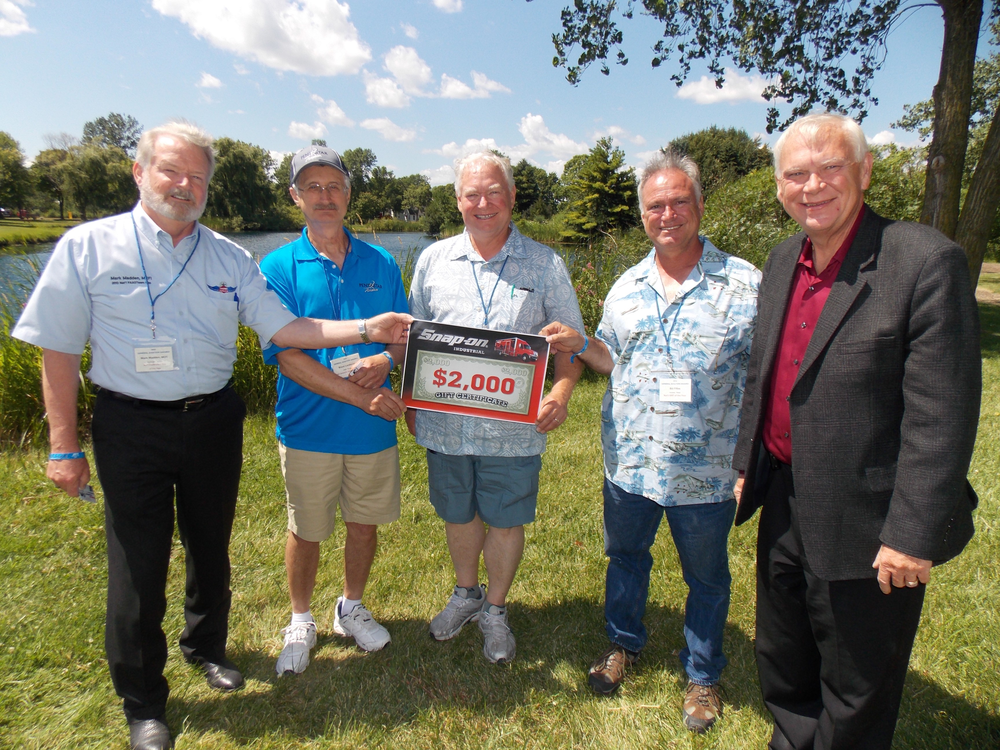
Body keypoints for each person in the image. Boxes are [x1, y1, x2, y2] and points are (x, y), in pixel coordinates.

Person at [11, 122, 411, 750]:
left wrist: (367, 326)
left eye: (198, 176)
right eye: (171, 171)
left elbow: (287, 328)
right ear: (139, 174)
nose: (185, 185)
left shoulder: (228, 256)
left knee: (210, 544)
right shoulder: (87, 246)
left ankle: (206, 647)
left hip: (212, 419)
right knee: (138, 566)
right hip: (131, 422)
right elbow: (56, 348)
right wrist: (64, 445)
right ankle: (144, 702)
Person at [732, 113, 981, 750]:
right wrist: (745, 464)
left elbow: (942, 415)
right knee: (784, 657)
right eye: (796, 173)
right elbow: (766, 370)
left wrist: (911, 535)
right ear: (780, 186)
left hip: (872, 522)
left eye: (830, 167)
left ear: (865, 171)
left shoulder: (923, 262)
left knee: (857, 684)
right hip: (785, 498)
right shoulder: (784, 257)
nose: (812, 185)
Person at [542, 150, 760, 732]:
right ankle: (623, 643)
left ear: (700, 206)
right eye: (655, 205)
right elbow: (611, 358)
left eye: (678, 202)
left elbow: (765, 378)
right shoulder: (626, 286)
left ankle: (703, 673)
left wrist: (748, 463)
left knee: (707, 577)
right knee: (626, 559)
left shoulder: (745, 284)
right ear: (643, 214)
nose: (668, 215)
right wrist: (579, 341)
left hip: (708, 469)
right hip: (632, 463)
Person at [406, 150, 584, 664]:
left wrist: (560, 392)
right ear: (457, 200)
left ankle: (496, 610)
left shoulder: (546, 264)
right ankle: (466, 595)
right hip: (446, 424)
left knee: (505, 519)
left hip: (514, 431)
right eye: (471, 194)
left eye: (494, 193)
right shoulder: (432, 261)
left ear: (511, 198)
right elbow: (414, 341)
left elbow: (570, 345)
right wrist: (412, 396)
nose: (482, 204)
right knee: (458, 513)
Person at [259, 145, 408, 674]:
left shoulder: (382, 262)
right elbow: (288, 355)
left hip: (370, 430)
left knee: (364, 522)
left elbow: (402, 340)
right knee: (308, 528)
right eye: (313, 187)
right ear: (296, 196)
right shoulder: (276, 266)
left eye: (335, 186)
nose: (325, 196)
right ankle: (301, 617)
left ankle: (351, 605)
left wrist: (383, 361)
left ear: (349, 195)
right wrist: (361, 394)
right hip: (309, 427)